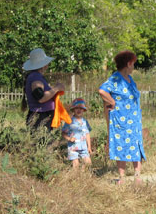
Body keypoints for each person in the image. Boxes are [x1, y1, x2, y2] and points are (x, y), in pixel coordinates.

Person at [98, 50, 146, 185]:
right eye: (133, 64)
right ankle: (122, 177)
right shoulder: (115, 78)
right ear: (129, 63)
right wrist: (112, 102)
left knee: (136, 145)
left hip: (134, 120)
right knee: (121, 145)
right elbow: (102, 91)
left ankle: (137, 176)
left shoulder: (131, 80)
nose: (134, 67)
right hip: (120, 120)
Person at [22, 48, 65, 131]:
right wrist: (57, 88)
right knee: (43, 142)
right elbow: (41, 98)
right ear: (43, 65)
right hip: (40, 117)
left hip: (41, 116)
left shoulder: (35, 76)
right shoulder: (36, 77)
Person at [62, 98, 92, 169]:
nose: (79, 110)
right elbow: (63, 133)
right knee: (76, 164)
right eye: (76, 108)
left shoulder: (85, 121)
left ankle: (83, 174)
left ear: (84, 110)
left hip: (84, 146)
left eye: (81, 108)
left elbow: (87, 134)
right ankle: (76, 177)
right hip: (73, 146)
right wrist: (69, 138)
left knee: (88, 162)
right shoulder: (69, 121)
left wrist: (89, 147)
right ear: (73, 110)